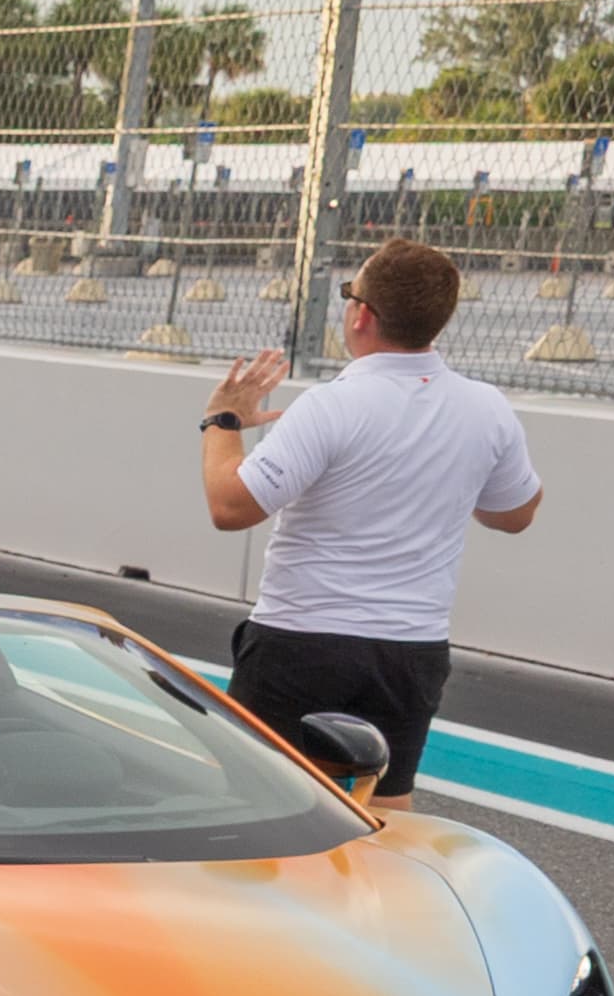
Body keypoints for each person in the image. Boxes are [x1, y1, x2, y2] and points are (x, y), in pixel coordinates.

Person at [202, 237, 541, 805]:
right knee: (386, 816)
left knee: (258, 812)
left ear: (361, 314)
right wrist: (448, 480)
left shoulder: (333, 404)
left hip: (302, 639)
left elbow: (230, 507)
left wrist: (222, 421)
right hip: (410, 650)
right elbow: (515, 514)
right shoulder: (485, 407)